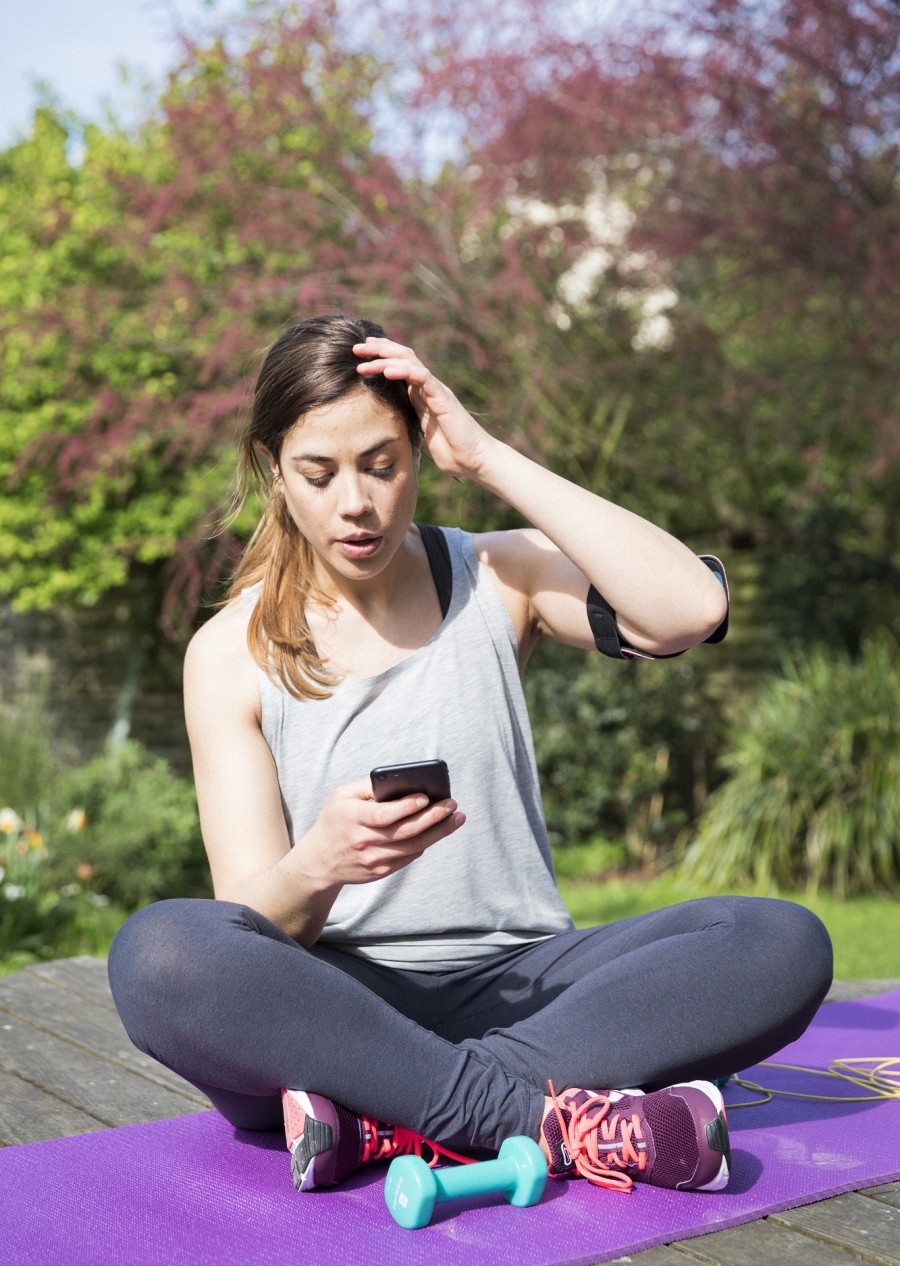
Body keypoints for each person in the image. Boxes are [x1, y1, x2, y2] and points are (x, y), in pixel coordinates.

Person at [108, 313, 832, 1196]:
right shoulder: (229, 652)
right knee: (158, 953)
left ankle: (389, 1121)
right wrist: (320, 864)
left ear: (421, 450)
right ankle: (542, 1118)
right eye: (320, 474)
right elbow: (248, 926)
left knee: (780, 940)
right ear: (273, 470)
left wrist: (487, 457)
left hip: (531, 992)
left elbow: (691, 610)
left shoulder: (498, 575)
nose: (355, 503)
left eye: (383, 465)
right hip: (341, 1009)